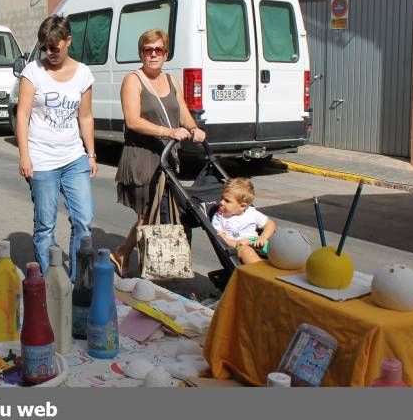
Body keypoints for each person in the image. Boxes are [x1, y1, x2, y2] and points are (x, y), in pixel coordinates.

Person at [110, 29, 206, 277]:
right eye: (147, 50)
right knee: (148, 212)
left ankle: (125, 253)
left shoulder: (172, 80)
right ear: (141, 53)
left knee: (154, 213)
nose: (153, 55)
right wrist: (169, 131)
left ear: (166, 53)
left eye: (158, 50)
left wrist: (193, 129)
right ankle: (150, 266)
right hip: (142, 156)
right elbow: (132, 120)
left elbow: (182, 111)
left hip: (166, 157)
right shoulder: (133, 80)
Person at [17, 15, 97, 282]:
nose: (50, 53)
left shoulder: (83, 73)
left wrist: (91, 153)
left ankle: (78, 283)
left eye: (55, 47)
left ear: (68, 41)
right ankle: (50, 283)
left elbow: (85, 116)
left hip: (74, 157)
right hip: (41, 159)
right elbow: (23, 114)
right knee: (45, 226)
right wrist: (25, 156)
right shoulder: (33, 72)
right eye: (45, 47)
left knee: (84, 221)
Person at [212, 177, 276, 264]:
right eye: (222, 198)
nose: (221, 202)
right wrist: (236, 244)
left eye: (227, 201)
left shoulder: (251, 212)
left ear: (242, 206)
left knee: (280, 245)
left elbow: (269, 224)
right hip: (240, 246)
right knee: (246, 251)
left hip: (257, 242)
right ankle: (262, 269)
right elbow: (220, 236)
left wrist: (263, 237)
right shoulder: (219, 216)